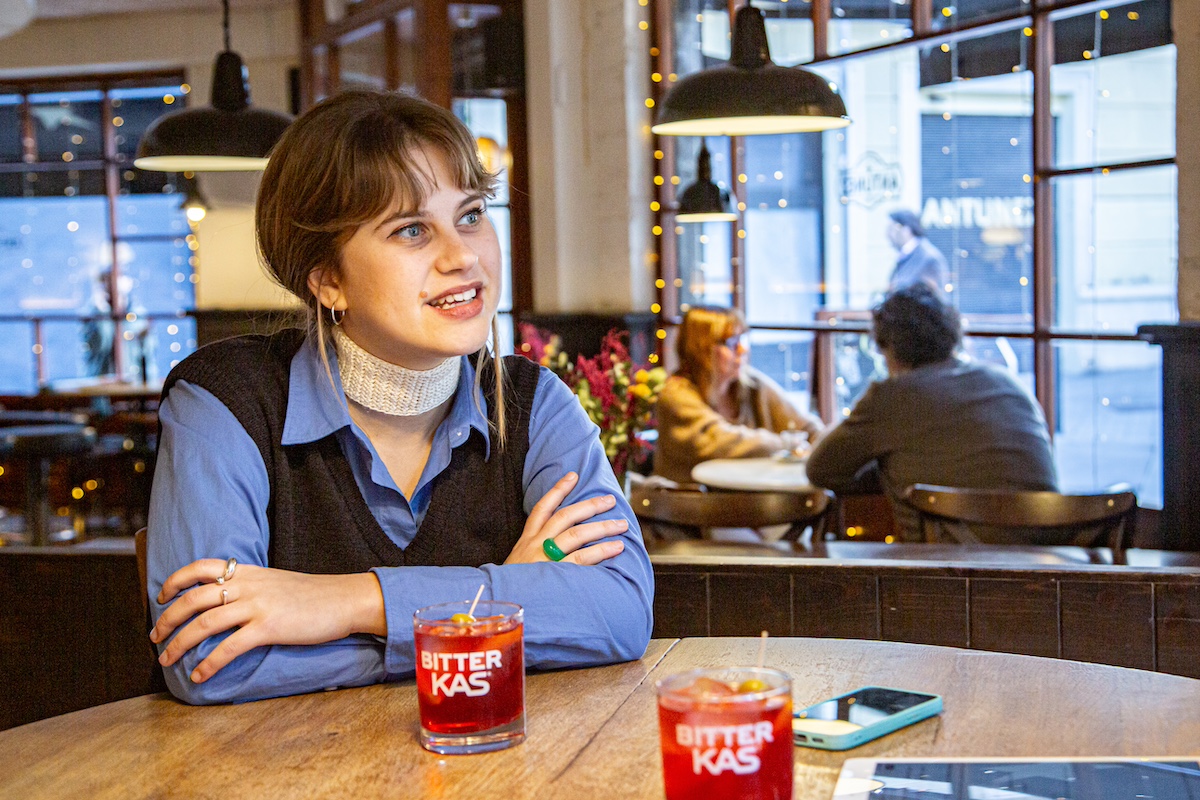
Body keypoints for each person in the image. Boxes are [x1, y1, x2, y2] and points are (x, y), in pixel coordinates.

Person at [146, 90, 654, 705]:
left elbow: (622, 612)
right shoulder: (223, 401)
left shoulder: (533, 403)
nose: (463, 255)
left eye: (470, 215)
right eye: (412, 230)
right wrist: (489, 614)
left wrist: (349, 602)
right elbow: (209, 661)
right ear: (328, 279)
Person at [805, 283, 1058, 541]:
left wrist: (889, 472)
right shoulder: (1007, 382)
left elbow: (820, 470)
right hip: (1043, 556)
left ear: (889, 349)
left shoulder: (894, 396)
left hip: (948, 567)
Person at [652, 306, 824, 486]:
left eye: (743, 339)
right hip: (689, 504)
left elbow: (806, 426)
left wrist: (825, 449)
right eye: (732, 342)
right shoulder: (674, 394)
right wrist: (788, 444)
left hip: (746, 498)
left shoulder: (750, 383)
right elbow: (720, 441)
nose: (742, 349)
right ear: (701, 349)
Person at [887, 208, 949, 298]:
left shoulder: (929, 258)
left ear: (906, 230)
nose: (888, 235)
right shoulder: (906, 255)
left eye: (891, 229)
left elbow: (936, 299)